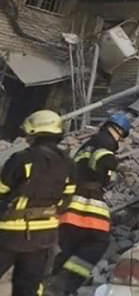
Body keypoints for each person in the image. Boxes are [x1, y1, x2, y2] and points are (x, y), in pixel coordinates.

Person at [47, 113, 131, 296]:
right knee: (97, 243)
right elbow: (101, 160)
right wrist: (114, 169)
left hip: (69, 206)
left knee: (71, 247)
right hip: (88, 204)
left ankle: (51, 283)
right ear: (119, 131)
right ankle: (63, 285)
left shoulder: (87, 145)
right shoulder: (107, 142)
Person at [0, 110, 75, 296]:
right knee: (29, 287)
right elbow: (67, 199)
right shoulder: (68, 163)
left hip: (11, 233)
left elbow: (1, 190)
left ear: (34, 132)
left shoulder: (22, 159)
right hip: (44, 236)